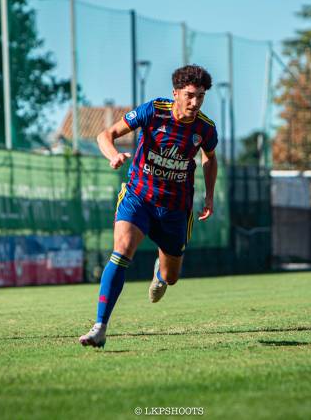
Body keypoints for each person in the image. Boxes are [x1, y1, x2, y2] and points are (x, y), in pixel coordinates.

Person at [79, 65, 218, 348]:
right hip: (139, 197)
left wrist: (210, 196)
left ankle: (159, 273)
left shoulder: (205, 127)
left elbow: (209, 158)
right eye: (190, 95)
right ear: (175, 93)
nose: (195, 103)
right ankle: (100, 327)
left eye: (201, 96)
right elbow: (104, 135)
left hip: (176, 209)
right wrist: (113, 155)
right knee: (122, 249)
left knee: (171, 276)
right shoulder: (153, 111)